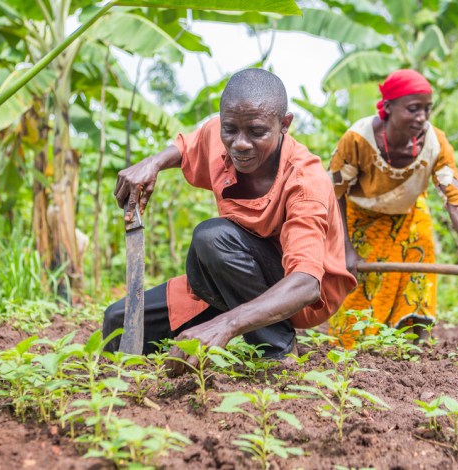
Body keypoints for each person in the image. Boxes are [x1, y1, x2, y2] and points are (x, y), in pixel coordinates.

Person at [103, 69, 356, 368]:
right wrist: (153, 163)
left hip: (296, 294)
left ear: (284, 124)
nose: (240, 143)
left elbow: (306, 283)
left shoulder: (305, 182)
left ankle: (277, 353)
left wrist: (225, 324)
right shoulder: (223, 135)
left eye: (257, 132)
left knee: (212, 238)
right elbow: (187, 145)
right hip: (230, 275)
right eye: (230, 129)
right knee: (118, 324)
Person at [327, 69, 458, 347]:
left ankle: (416, 346)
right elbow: (334, 194)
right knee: (363, 287)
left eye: (427, 109)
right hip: (361, 217)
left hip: (410, 215)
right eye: (413, 109)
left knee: (420, 269)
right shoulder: (357, 140)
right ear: (388, 108)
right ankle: (354, 346)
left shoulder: (435, 142)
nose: (422, 117)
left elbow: (455, 197)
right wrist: (346, 248)